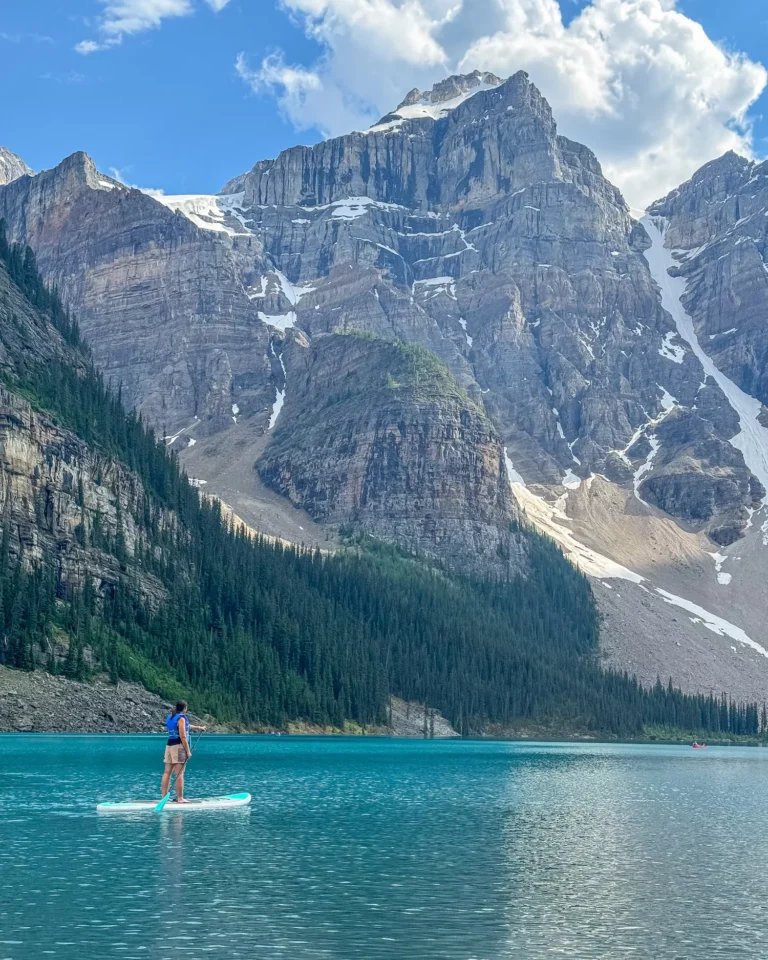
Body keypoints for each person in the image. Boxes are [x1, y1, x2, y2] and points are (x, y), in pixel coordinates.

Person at [161, 700, 206, 803]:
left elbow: (186, 726)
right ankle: (180, 798)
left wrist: (199, 728)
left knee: (167, 772)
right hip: (179, 747)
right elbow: (183, 736)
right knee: (179, 773)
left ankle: (163, 797)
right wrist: (188, 751)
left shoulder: (171, 717)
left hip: (169, 746)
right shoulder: (181, 718)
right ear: (185, 708)